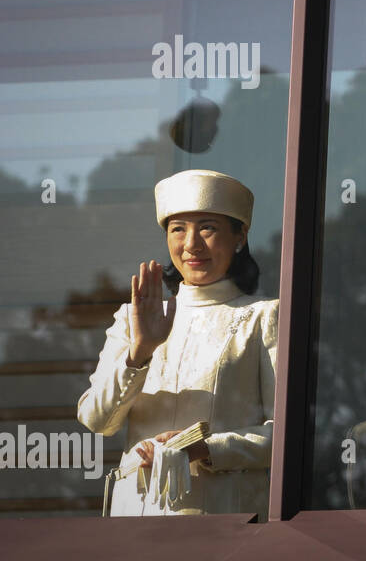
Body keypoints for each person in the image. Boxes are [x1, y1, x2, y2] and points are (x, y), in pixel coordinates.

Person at [78, 170, 278, 518]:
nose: (191, 245)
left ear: (240, 236)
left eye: (208, 227)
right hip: (135, 519)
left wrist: (204, 448)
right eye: (178, 229)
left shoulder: (263, 317)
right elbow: (97, 421)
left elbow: (283, 438)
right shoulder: (134, 316)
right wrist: (140, 352)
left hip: (226, 516)